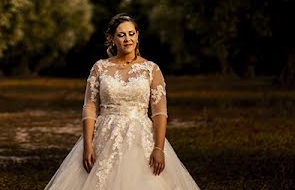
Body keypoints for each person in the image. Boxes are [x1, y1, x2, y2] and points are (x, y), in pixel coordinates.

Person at [42, 13, 201, 190]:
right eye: (121, 35)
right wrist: (87, 145)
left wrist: (159, 148)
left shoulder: (151, 69)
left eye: (131, 34)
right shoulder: (100, 67)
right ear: (112, 38)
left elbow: (159, 112)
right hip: (104, 135)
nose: (127, 39)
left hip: (141, 138)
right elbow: (89, 107)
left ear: (138, 35)